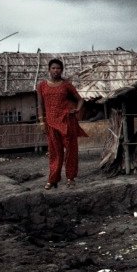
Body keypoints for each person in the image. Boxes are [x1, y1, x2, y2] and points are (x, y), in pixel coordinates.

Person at [36, 58, 86, 189]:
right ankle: (53, 179)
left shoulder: (66, 85)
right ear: (49, 70)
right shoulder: (41, 85)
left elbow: (80, 100)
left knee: (71, 150)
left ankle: (71, 178)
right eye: (53, 68)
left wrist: (77, 110)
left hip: (67, 121)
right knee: (54, 152)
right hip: (51, 123)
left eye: (58, 68)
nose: (56, 70)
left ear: (62, 70)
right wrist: (41, 122)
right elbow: (40, 104)